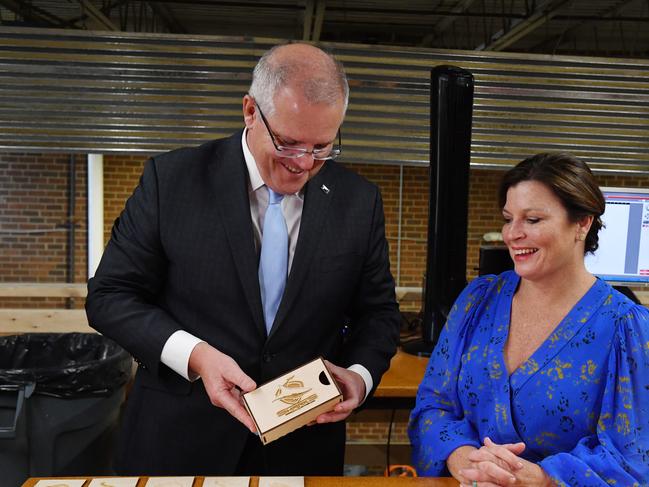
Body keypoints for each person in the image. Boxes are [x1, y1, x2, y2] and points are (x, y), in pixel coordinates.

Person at [85, 43, 400, 476]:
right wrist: (196, 356)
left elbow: (378, 313)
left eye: (322, 147)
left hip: (302, 447)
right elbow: (109, 296)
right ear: (251, 111)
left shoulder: (358, 202)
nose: (303, 164)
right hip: (178, 442)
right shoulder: (172, 181)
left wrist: (359, 375)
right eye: (288, 143)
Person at [408, 153, 649, 486]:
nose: (512, 234)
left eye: (532, 220)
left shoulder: (626, 327)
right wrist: (464, 459)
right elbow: (433, 405)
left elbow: (632, 460)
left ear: (582, 223)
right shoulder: (476, 301)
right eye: (508, 219)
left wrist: (541, 478)